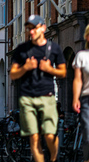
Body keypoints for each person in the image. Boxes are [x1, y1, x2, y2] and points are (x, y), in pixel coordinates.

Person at [9, 14, 66, 162]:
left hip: (47, 96)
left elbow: (63, 72)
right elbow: (13, 74)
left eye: (34, 28)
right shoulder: (22, 49)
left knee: (49, 135)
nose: (31, 31)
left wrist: (49, 69)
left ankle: (53, 158)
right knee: (34, 137)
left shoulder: (53, 48)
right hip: (28, 98)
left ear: (43, 28)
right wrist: (25, 68)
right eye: (29, 28)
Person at [72, 24, 89, 162]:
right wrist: (76, 98)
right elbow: (78, 79)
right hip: (86, 99)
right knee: (88, 135)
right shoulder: (81, 56)